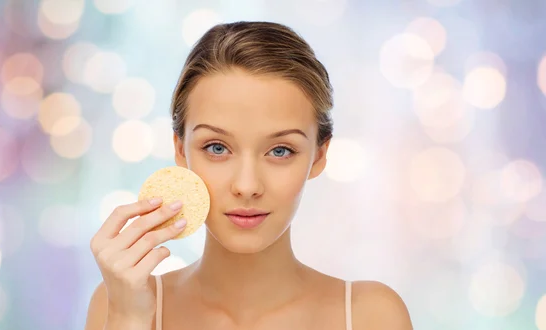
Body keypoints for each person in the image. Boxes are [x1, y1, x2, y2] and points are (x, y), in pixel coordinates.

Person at [85, 21, 413, 330]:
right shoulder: (119, 302)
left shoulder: (371, 315)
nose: (247, 186)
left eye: (280, 151)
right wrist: (128, 318)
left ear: (319, 156)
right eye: (216, 148)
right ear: (181, 150)